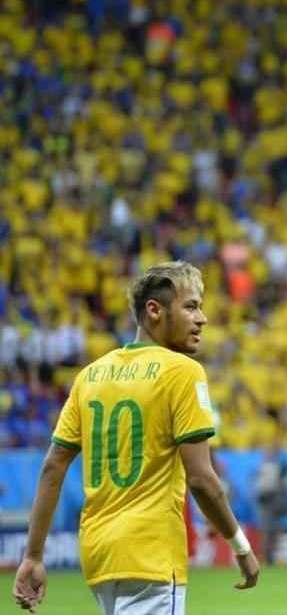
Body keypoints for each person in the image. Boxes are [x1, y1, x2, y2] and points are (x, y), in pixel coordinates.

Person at [11, 261, 259, 614]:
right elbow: (202, 480)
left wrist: (33, 556)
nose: (202, 318)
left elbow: (53, 466)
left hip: (99, 557)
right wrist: (240, 546)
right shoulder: (183, 372)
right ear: (154, 311)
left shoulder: (90, 376)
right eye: (190, 306)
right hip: (151, 554)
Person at [254, 435, 287, 566]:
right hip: (266, 501)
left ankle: (276, 556)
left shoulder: (277, 466)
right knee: (267, 530)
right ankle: (266, 556)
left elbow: (282, 484)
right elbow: (261, 487)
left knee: (277, 530)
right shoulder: (265, 468)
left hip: (276, 501)